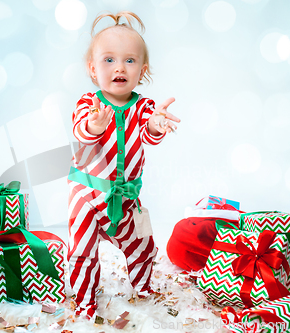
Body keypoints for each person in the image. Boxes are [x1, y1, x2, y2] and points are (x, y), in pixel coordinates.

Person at [67, 11, 180, 320]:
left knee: (142, 245)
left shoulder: (143, 106)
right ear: (92, 68)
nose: (119, 67)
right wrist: (94, 125)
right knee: (82, 251)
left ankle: (143, 290)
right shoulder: (88, 104)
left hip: (126, 199)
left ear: (142, 71)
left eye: (129, 61)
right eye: (109, 60)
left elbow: (148, 132)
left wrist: (157, 124)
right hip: (87, 194)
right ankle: (84, 303)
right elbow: (80, 132)